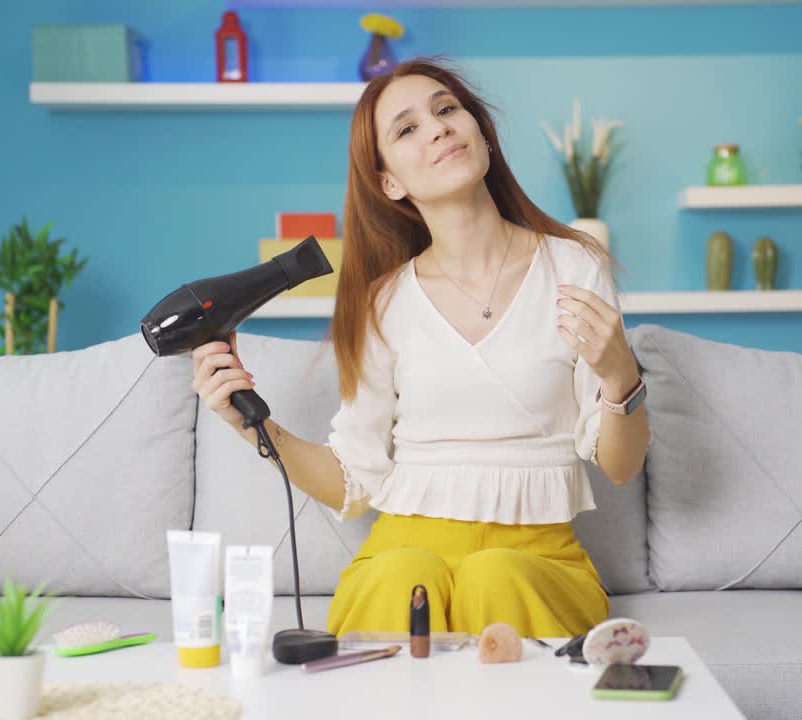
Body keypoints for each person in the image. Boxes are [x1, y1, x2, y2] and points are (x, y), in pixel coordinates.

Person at [191, 56, 651, 639]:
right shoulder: (382, 304)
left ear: (481, 133)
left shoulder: (572, 265)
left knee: (495, 577)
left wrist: (619, 376)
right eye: (407, 129)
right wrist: (250, 425)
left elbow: (620, 464)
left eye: (447, 110)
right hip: (403, 546)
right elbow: (353, 479)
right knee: (402, 577)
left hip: (538, 556)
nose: (436, 128)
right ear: (389, 183)